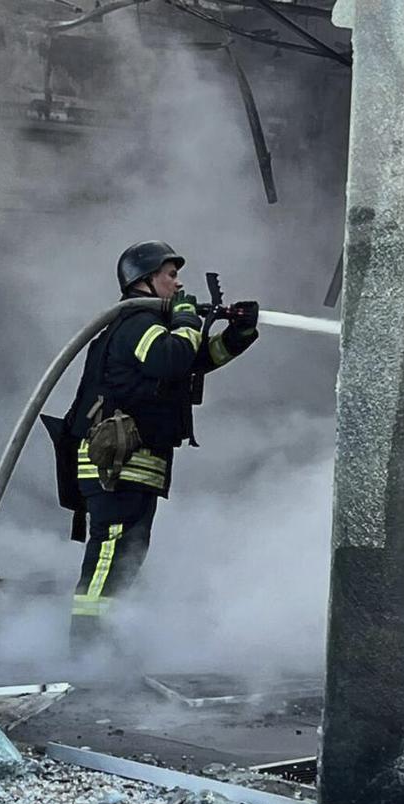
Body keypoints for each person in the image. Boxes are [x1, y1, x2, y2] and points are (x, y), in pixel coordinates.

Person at [61, 241, 259, 652]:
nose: (178, 283)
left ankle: (104, 643)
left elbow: (195, 360)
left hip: (135, 469)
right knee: (109, 554)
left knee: (126, 557)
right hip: (115, 468)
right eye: (170, 275)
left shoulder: (156, 329)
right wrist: (186, 318)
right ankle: (85, 648)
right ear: (145, 280)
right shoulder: (136, 323)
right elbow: (170, 358)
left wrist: (238, 334)